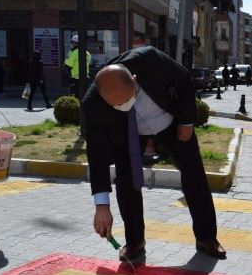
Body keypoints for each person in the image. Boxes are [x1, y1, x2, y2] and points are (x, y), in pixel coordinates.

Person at [82, 46, 226, 261]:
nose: (125, 106)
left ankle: (206, 238)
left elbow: (184, 81)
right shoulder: (93, 104)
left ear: (134, 79)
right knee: (127, 181)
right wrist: (101, 206)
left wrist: (187, 121)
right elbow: (96, 154)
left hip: (172, 124)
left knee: (194, 174)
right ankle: (135, 242)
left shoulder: (149, 60)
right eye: (118, 105)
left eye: (129, 99)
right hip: (130, 132)